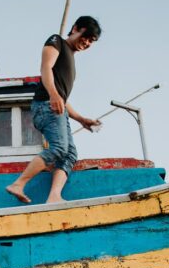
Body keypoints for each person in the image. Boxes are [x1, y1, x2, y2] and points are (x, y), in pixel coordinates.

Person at [5, 16, 102, 205]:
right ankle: (18, 184)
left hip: (57, 108)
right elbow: (45, 68)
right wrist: (53, 94)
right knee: (59, 148)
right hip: (45, 105)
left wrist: (81, 119)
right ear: (76, 28)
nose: (87, 42)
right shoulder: (56, 41)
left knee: (70, 154)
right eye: (86, 36)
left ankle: (54, 197)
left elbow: (63, 100)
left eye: (92, 41)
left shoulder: (72, 62)